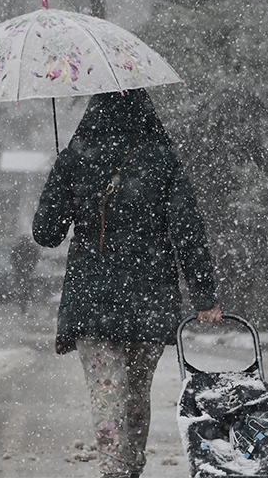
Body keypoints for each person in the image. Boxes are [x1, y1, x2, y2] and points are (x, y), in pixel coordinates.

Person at [32, 89, 221, 478]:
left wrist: (61, 179)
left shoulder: (76, 159)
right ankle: (130, 468)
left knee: (107, 395)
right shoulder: (162, 160)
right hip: (148, 299)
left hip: (92, 299)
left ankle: (114, 471)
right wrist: (203, 294)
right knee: (136, 395)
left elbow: (46, 234)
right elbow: (188, 230)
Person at [10, 233, 40, 313]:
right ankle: (24, 305)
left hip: (23, 271)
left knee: (23, 288)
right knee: (26, 289)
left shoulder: (20, 248)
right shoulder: (30, 248)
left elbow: (13, 258)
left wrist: (21, 265)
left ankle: (23, 305)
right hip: (25, 271)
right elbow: (36, 257)